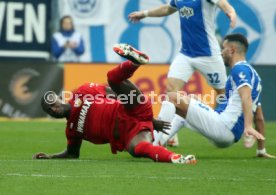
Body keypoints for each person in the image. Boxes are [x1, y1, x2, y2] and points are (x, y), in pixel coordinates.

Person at [33, 44, 196, 164]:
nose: (54, 109)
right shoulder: (72, 130)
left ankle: (134, 62)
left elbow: (115, 92)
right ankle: (175, 159)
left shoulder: (82, 92)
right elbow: (72, 154)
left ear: (60, 98)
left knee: (112, 78)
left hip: (131, 108)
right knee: (137, 149)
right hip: (128, 133)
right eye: (50, 110)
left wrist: (151, 120)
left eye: (54, 104)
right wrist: (50, 157)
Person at [129, 0, 237, 146]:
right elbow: (167, 9)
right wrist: (144, 14)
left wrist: (230, 11)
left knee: (223, 94)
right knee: (171, 92)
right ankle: (164, 136)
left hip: (209, 55)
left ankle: (231, 126)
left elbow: (222, 2)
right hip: (185, 55)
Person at [159, 33, 275, 158]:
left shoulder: (239, 70)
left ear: (231, 50)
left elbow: (245, 97)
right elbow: (259, 117)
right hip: (226, 132)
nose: (221, 53)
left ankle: (154, 142)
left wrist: (248, 126)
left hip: (223, 127)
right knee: (189, 102)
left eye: (223, 48)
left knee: (172, 97)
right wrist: (261, 150)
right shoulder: (255, 76)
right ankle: (160, 142)